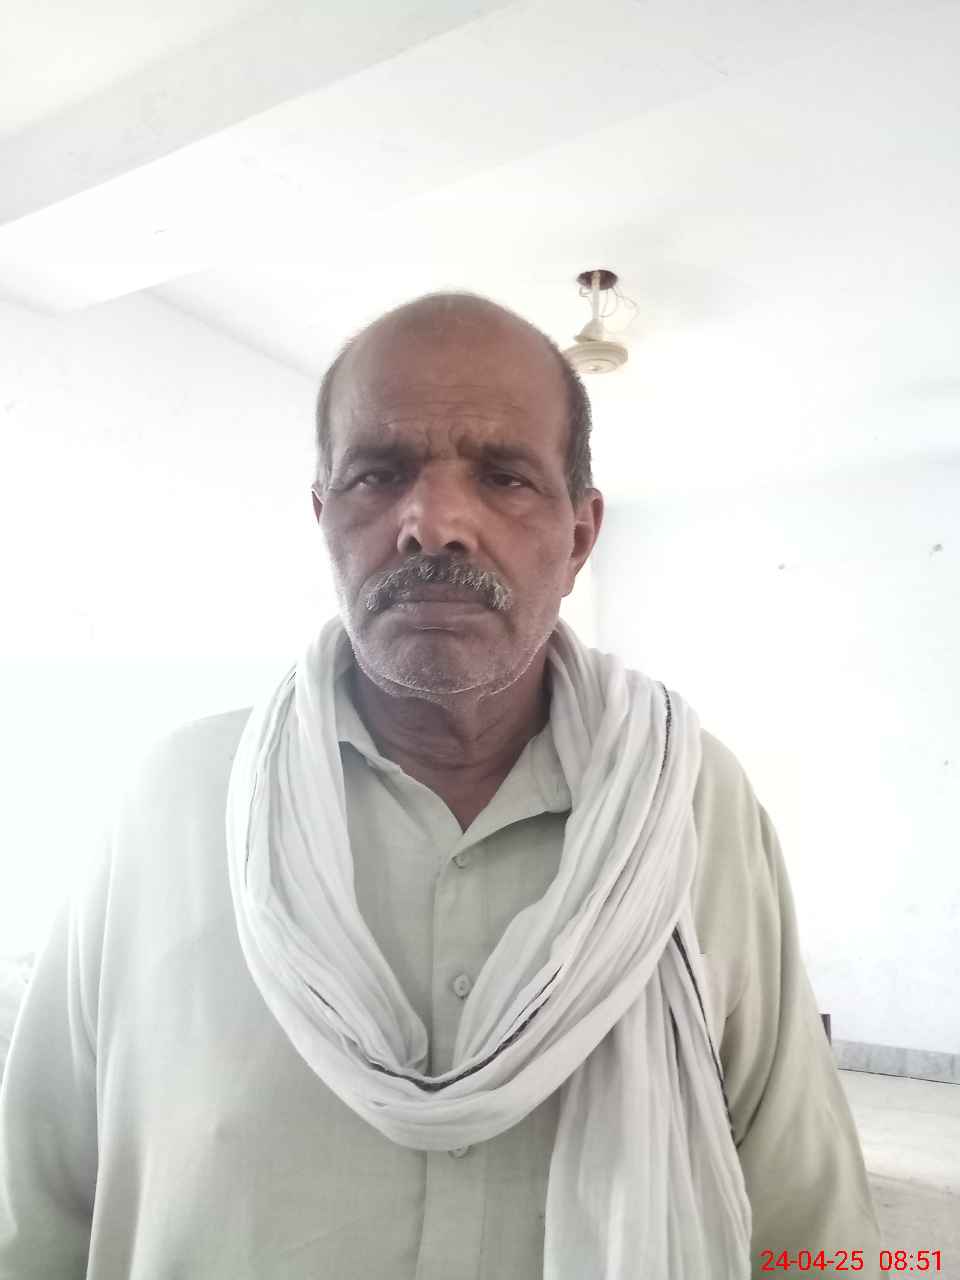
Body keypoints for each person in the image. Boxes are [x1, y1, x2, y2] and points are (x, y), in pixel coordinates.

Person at [0, 291, 880, 1279]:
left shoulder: (690, 807)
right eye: (379, 475)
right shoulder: (173, 808)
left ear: (579, 536)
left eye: (503, 476)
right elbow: (36, 1209)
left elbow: (806, 1214)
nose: (434, 523)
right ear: (325, 516)